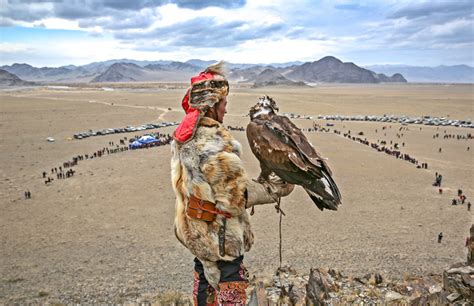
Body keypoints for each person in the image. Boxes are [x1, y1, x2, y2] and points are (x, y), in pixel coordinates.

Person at [170, 62, 294, 305]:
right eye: (224, 104)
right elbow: (235, 197)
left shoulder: (184, 137)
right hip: (221, 236)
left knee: (204, 274)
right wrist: (274, 190)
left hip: (195, 230)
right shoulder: (215, 142)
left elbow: (207, 185)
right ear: (212, 105)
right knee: (229, 280)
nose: (226, 110)